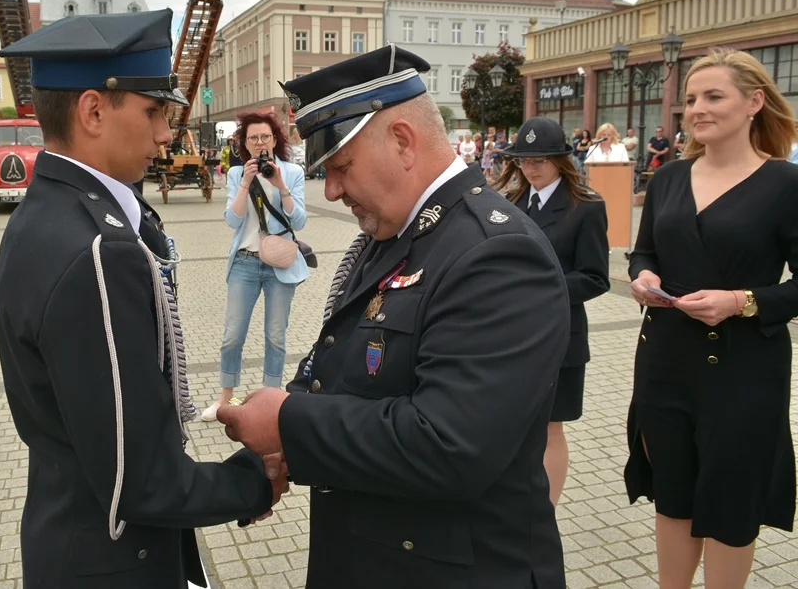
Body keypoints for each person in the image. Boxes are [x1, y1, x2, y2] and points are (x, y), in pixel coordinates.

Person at [216, 44, 571, 588]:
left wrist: (288, 421)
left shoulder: (494, 252)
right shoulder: (399, 230)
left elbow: (449, 444)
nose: (331, 191)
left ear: (403, 142)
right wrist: (281, 444)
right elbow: (344, 367)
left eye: (339, 167)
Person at [0, 9, 286, 589]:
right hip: (115, 561)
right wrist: (257, 478)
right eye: (152, 112)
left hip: (73, 536)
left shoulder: (46, 216)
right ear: (93, 111)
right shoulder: (101, 250)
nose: (164, 134)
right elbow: (140, 481)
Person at [626, 48, 798, 589]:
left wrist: (742, 300)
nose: (696, 109)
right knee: (672, 495)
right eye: (692, 99)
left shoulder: (784, 185)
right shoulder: (669, 178)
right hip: (665, 361)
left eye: (713, 96)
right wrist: (643, 279)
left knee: (729, 504)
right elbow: (644, 251)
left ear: (754, 102)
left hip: (743, 370)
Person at [496, 118, 610, 506]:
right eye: (524, 161)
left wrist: (540, 289)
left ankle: (544, 510)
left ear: (561, 161)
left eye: (540, 161)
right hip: (511, 333)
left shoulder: (587, 207)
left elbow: (596, 278)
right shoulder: (509, 203)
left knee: (549, 427)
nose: (530, 169)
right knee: (513, 421)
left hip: (560, 333)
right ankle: (514, 498)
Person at [200, 110, 308, 421]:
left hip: (280, 265)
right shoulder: (236, 174)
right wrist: (246, 182)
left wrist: (281, 184)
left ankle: (270, 403)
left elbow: (298, 219)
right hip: (245, 264)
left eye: (265, 137)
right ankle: (225, 398)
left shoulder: (292, 171)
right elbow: (232, 220)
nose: (259, 143)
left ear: (275, 140)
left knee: (276, 335)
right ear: (244, 144)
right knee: (233, 334)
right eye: (252, 138)